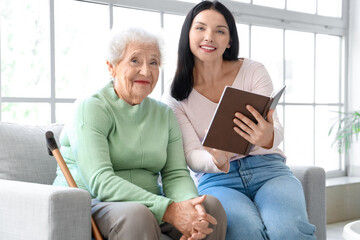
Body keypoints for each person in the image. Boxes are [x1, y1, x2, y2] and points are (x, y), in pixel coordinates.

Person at [52, 27, 227, 240]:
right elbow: (101, 181)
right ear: (111, 67)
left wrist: (192, 208)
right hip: (96, 204)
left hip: (151, 204)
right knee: (137, 215)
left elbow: (175, 174)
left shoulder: (164, 114)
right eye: (135, 61)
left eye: (153, 62)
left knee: (210, 207)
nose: (146, 71)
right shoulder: (91, 108)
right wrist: (169, 209)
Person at [161, 1, 316, 240]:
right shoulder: (174, 96)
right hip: (217, 180)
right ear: (188, 34)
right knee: (246, 232)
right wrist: (217, 160)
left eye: (220, 31)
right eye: (200, 28)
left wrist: (268, 137)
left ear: (229, 40)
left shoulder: (253, 71)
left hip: (269, 169)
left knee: (287, 231)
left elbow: (275, 127)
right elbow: (192, 153)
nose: (209, 37)